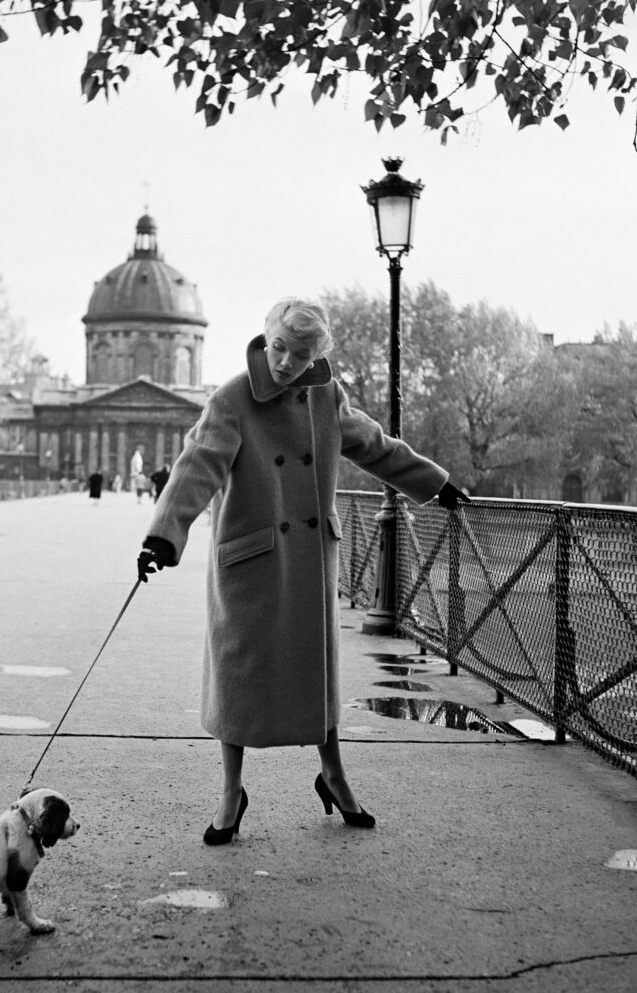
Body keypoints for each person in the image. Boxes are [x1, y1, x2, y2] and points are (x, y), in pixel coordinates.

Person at [137, 297, 469, 846]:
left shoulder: (325, 396)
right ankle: (230, 792)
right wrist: (161, 537)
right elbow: (196, 467)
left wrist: (434, 482)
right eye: (279, 349)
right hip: (250, 562)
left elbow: (374, 446)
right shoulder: (232, 397)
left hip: (310, 559)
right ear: (265, 339)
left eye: (300, 354)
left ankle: (334, 776)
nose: (286, 362)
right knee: (238, 677)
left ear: (318, 356)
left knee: (317, 678)